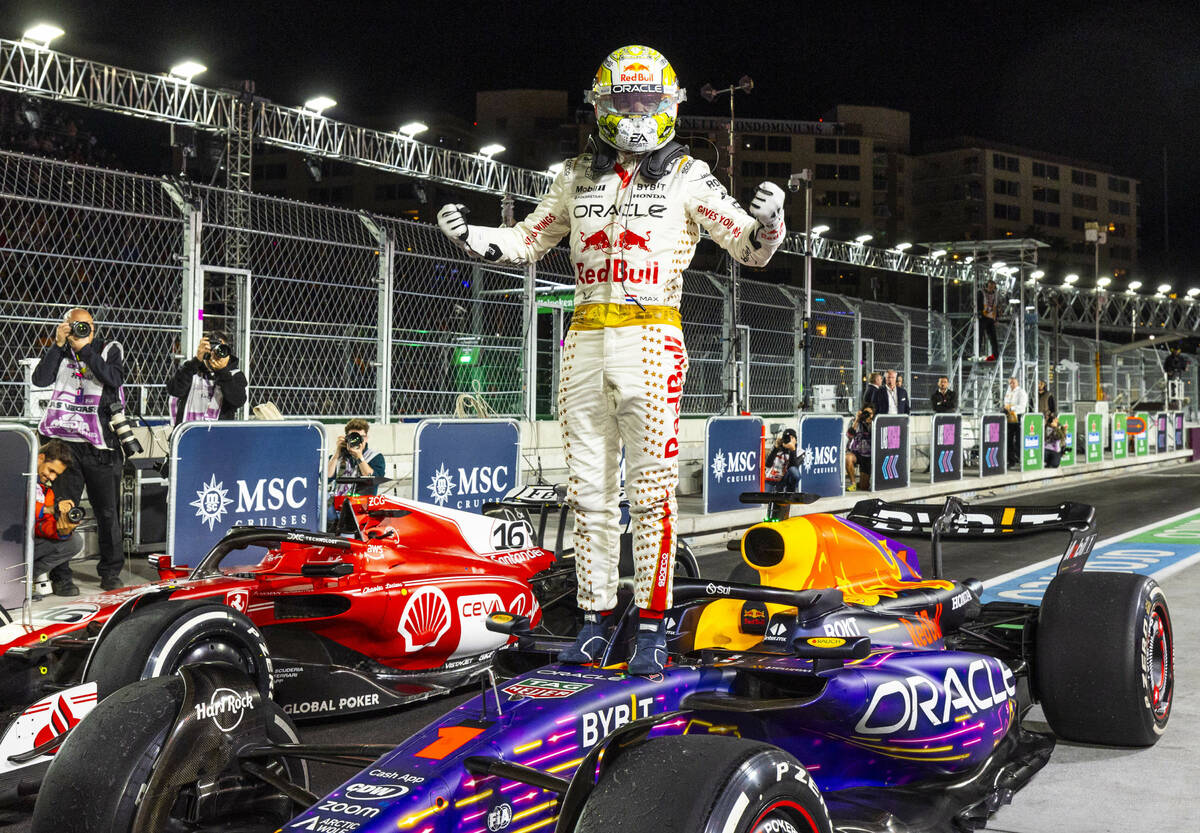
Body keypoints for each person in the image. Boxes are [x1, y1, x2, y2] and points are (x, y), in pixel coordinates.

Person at [437, 45, 787, 674]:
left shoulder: (691, 175)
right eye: (622, 101)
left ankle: (651, 620)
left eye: (646, 101)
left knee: (652, 494)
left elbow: (747, 248)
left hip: (654, 341)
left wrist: (770, 225)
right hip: (583, 341)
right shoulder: (572, 175)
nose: (634, 113)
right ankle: (597, 617)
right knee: (588, 495)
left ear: (669, 106)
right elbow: (526, 239)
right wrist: (474, 238)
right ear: (599, 105)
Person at [32, 308, 126, 590]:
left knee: (108, 513)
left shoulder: (108, 349)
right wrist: (58, 345)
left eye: (86, 326)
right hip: (65, 446)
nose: (81, 330)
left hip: (100, 446)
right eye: (76, 326)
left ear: (94, 328)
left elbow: (113, 378)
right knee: (62, 508)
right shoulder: (60, 349)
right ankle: (61, 577)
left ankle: (110, 572)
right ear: (66, 326)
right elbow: (40, 380)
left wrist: (85, 350)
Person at [32, 439, 83, 597]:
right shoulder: (15, 474)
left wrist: (61, 530)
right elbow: (19, 510)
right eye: (51, 470)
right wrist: (51, 509)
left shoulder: (46, 490)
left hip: (26, 542)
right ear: (40, 458)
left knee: (74, 541)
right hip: (8, 542)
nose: (52, 477)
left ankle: (21, 580)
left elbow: (41, 527)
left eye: (56, 474)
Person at [166, 330, 248, 425]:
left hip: (219, 435)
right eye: (212, 349)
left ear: (228, 354)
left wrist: (222, 372)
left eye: (222, 349)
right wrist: (196, 360)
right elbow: (175, 390)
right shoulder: (192, 370)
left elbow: (238, 401)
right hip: (189, 434)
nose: (216, 353)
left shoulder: (234, 374)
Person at [327, 419, 387, 521]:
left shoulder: (375, 457)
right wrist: (337, 453)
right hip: (336, 503)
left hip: (360, 506)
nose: (357, 441)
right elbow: (325, 477)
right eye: (353, 437)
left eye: (361, 437)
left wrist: (359, 457)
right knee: (317, 499)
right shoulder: (338, 456)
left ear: (366, 438)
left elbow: (373, 479)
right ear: (347, 438)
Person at [845, 406, 874, 491]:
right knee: (848, 458)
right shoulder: (855, 421)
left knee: (864, 487)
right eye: (865, 413)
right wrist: (857, 420)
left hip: (868, 456)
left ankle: (861, 483)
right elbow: (849, 435)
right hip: (856, 453)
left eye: (869, 414)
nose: (867, 415)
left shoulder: (875, 423)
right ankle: (853, 484)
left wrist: (870, 423)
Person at [1002, 376, 1028, 468]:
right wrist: (1006, 408)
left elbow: (1022, 406)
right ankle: (1011, 461)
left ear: (1018, 383)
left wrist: (1011, 408)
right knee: (1009, 439)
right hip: (1009, 417)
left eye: (1014, 383)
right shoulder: (1008, 392)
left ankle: (1022, 460)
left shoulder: (1021, 392)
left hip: (1018, 417)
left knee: (1019, 440)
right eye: (1011, 383)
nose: (1012, 385)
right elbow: (1006, 403)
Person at [978, 279, 1001, 361]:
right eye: (990, 285)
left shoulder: (995, 294)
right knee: (979, 336)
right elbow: (978, 303)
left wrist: (996, 318)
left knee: (993, 337)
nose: (991, 287)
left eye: (993, 286)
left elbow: (996, 306)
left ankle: (996, 355)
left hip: (991, 317)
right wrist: (979, 313)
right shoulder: (982, 293)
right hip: (984, 317)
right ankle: (977, 353)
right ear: (987, 285)